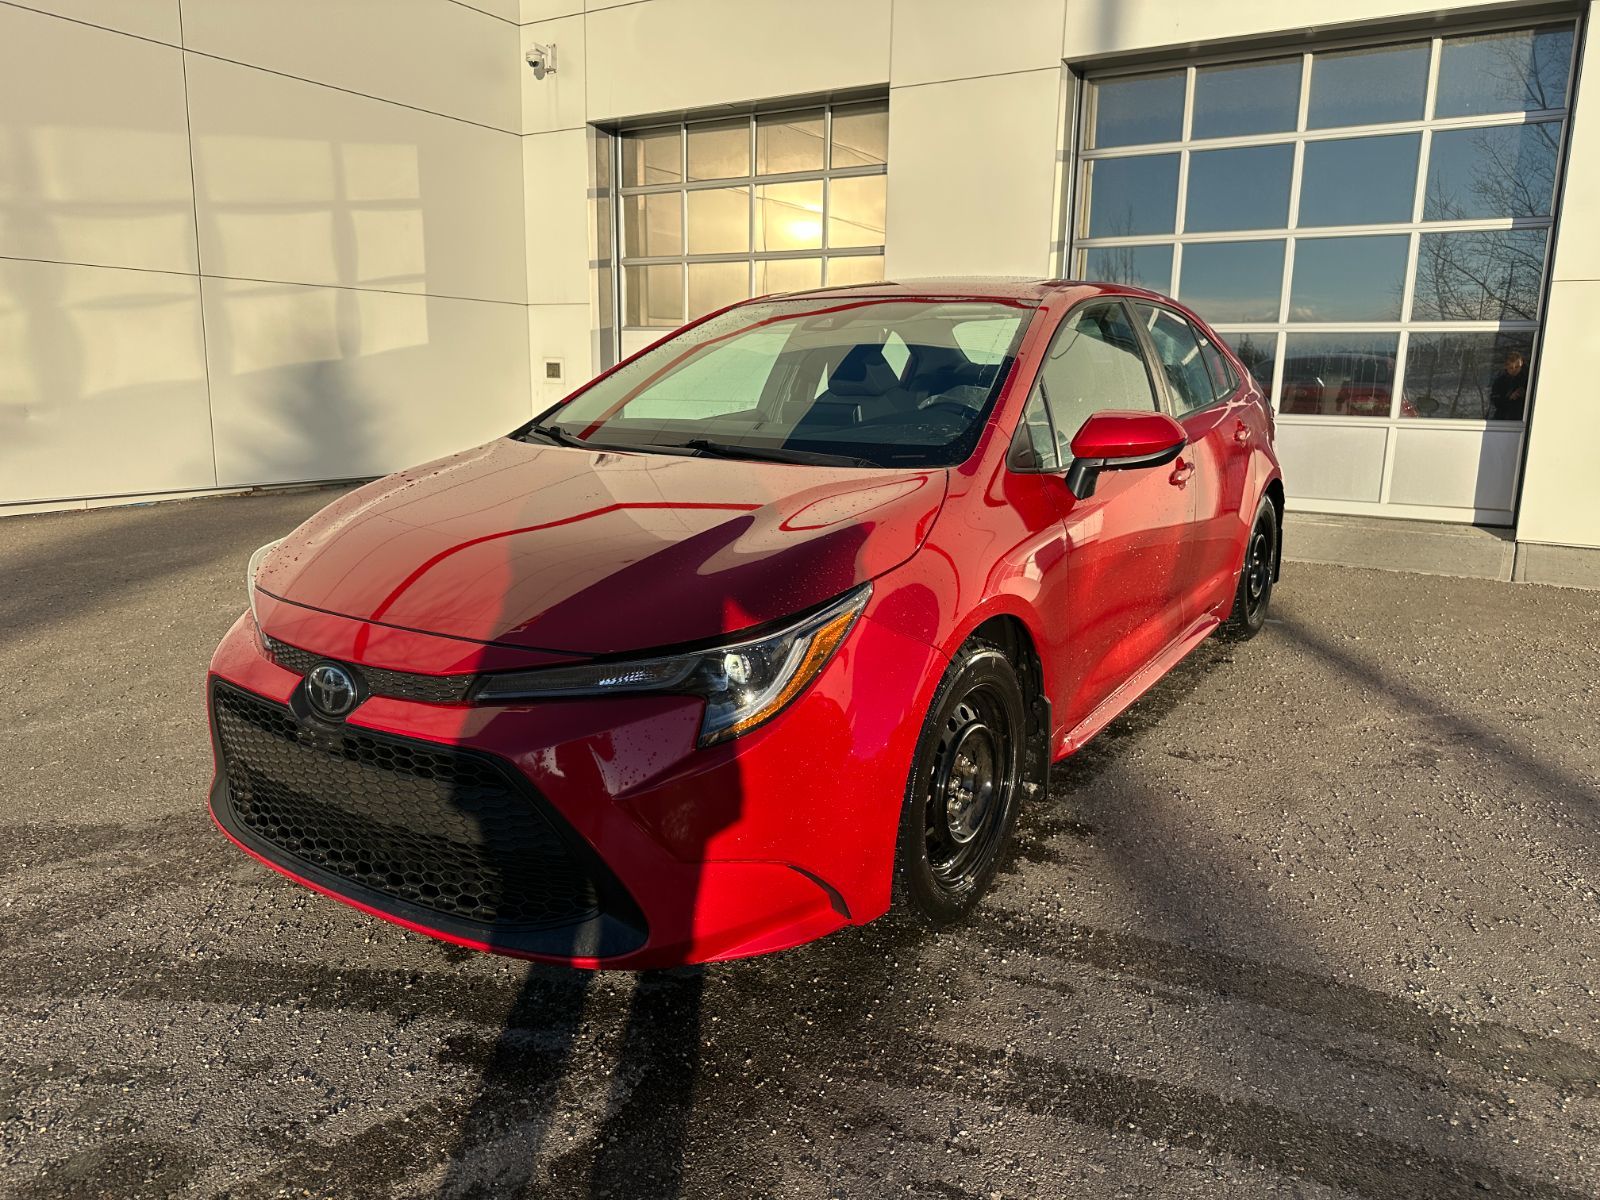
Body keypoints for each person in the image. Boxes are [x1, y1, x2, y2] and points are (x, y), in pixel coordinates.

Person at [1489, 350, 1529, 421]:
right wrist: (1510, 398)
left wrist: (1525, 394)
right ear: (1506, 367)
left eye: (1517, 367)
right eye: (1511, 368)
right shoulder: (1500, 381)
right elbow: (1496, 401)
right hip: (1505, 418)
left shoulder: (1528, 378)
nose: (1514, 370)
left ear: (1521, 364)